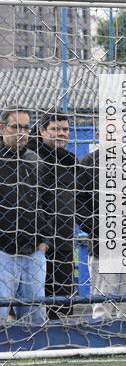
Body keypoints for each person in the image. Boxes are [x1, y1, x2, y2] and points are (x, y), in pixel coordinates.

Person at [78, 132, 126, 319]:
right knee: (102, 304)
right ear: (98, 134)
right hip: (103, 245)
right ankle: (101, 345)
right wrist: (100, 227)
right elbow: (78, 202)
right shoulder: (88, 163)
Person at [0, 108, 52, 324]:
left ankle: (34, 356)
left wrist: (45, 240)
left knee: (35, 317)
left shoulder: (35, 160)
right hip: (3, 252)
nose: (22, 132)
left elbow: (47, 203)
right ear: (2, 128)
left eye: (26, 127)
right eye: (16, 127)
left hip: (33, 251)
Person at [28, 112, 80, 319]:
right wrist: (42, 237)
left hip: (64, 242)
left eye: (65, 129)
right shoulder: (29, 156)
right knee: (31, 301)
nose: (61, 134)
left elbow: (82, 198)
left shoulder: (70, 160)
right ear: (42, 131)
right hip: (33, 243)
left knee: (62, 303)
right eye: (55, 129)